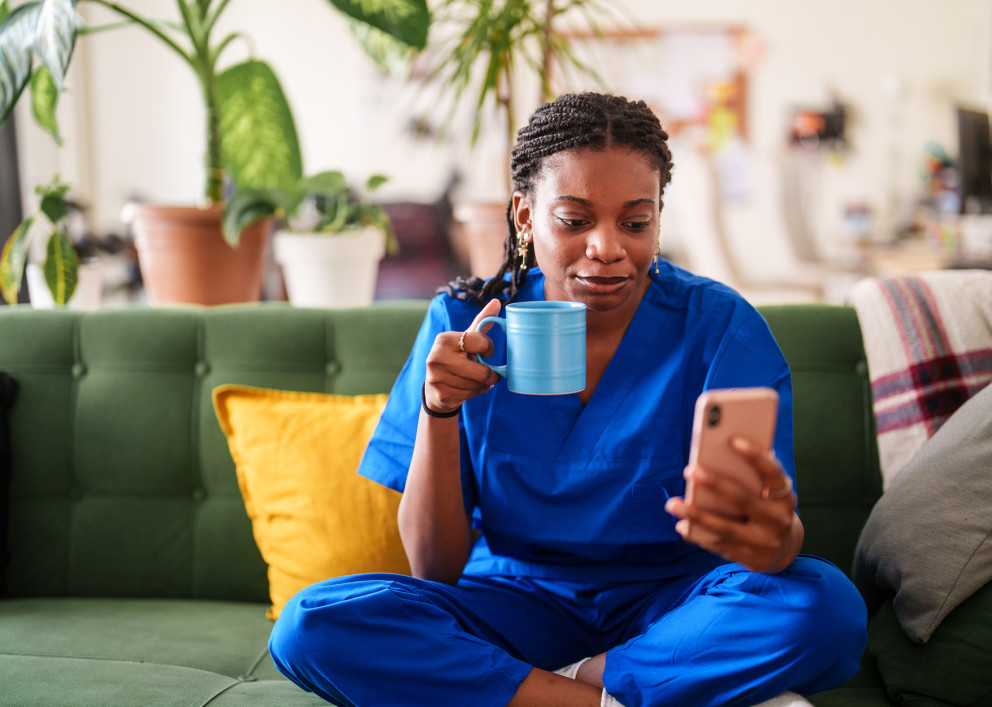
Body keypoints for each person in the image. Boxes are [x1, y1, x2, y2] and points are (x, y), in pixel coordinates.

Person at [269, 92, 867, 707]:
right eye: (574, 220)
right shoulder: (467, 322)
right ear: (525, 217)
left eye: (636, 223)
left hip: (680, 607)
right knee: (311, 623)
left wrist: (775, 540)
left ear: (659, 219)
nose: (607, 247)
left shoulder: (719, 327)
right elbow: (433, 568)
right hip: (517, 603)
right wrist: (438, 409)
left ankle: (570, 685)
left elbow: (769, 543)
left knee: (827, 607)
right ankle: (627, 695)